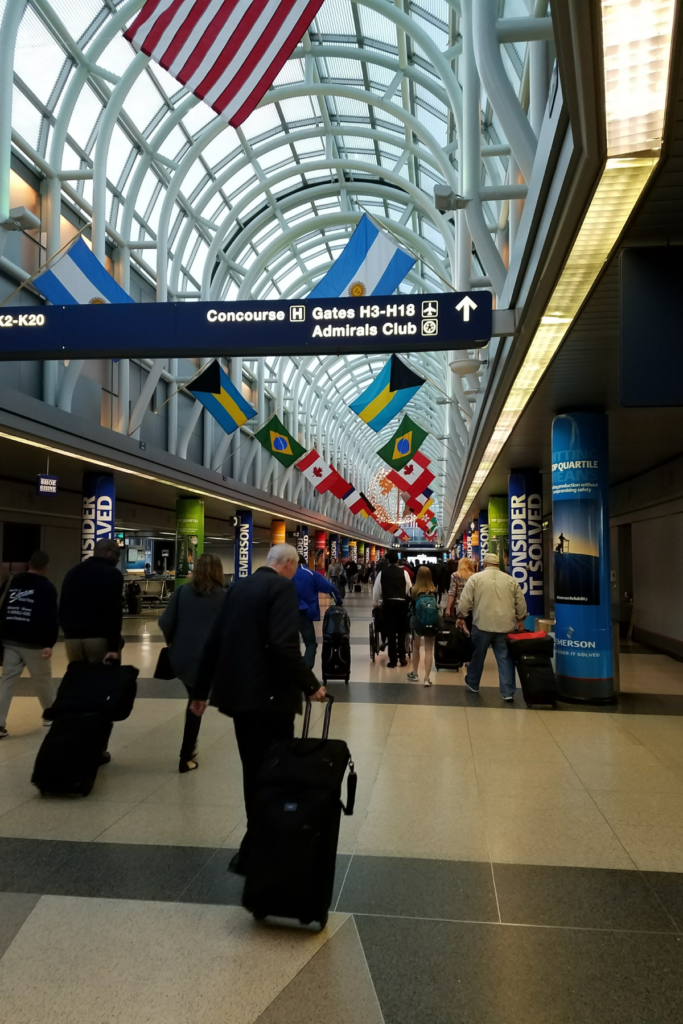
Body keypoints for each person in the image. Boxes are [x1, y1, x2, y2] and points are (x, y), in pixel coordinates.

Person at [191, 543, 326, 874]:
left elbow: (214, 640)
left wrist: (199, 691)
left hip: (239, 697)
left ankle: (252, 843)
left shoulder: (237, 586)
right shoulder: (281, 587)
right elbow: (283, 645)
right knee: (276, 770)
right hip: (271, 698)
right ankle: (268, 844)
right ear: (290, 565)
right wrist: (311, 685)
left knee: (251, 769)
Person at [159, 553, 226, 773]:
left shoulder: (182, 592)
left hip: (181, 657)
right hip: (209, 661)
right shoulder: (223, 596)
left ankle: (189, 752)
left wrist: (174, 642)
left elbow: (165, 621)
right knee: (196, 704)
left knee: (194, 699)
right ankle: (186, 755)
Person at [0, 551, 58, 739]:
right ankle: (50, 716)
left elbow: (3, 606)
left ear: (28, 563)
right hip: (34, 642)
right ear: (46, 567)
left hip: (10, 638)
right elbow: (50, 617)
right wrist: (49, 643)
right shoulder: (46, 587)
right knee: (42, 680)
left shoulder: (12, 582)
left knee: (7, 680)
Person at [456, 550, 527, 700]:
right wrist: (520, 619)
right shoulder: (510, 580)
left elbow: (465, 601)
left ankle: (473, 683)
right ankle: (508, 692)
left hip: (482, 624)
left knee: (477, 656)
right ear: (498, 564)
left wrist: (461, 616)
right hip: (505, 626)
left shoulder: (475, 579)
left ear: (485, 564)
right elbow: (520, 602)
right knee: (505, 659)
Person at [59, 538, 123, 663]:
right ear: (106, 551)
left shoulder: (72, 572)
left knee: (78, 678)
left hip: (72, 639)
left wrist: (68, 632)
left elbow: (63, 606)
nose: (118, 558)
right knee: (101, 679)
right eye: (117, 554)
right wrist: (113, 646)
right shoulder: (112, 574)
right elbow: (113, 610)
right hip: (98, 638)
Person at [294, 555, 342, 668]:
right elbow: (331, 588)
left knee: (288, 645)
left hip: (285, 613)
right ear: (304, 562)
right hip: (304, 613)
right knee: (311, 644)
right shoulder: (311, 574)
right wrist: (338, 602)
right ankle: (305, 672)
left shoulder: (284, 574)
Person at [372, 550, 412, 668]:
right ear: (398, 560)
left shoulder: (382, 573)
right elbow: (409, 588)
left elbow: (377, 591)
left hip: (388, 605)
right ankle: (402, 658)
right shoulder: (404, 573)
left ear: (388, 561)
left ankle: (393, 660)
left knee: (391, 632)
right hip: (401, 605)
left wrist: (375, 604)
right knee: (401, 632)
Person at [406, 566, 440, 687]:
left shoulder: (413, 590)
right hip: (431, 622)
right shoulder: (434, 590)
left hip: (418, 622)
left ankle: (415, 674)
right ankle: (427, 678)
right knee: (429, 649)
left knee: (416, 647)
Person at [445, 557, 476, 623]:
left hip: (459, 606)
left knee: (460, 627)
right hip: (473, 607)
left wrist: (448, 608)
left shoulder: (455, 575)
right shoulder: (475, 576)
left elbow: (452, 593)